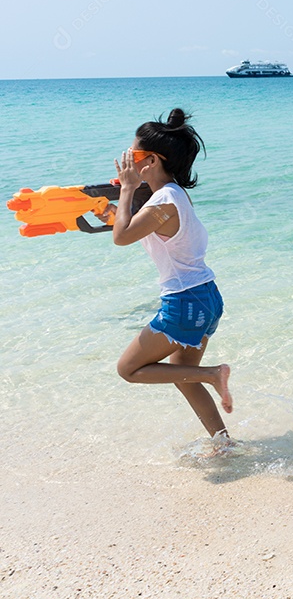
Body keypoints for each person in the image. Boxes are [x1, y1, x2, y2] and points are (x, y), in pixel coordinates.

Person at [100, 108, 233, 440]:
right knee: (180, 375)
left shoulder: (162, 203)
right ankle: (223, 443)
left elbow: (121, 237)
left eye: (133, 156)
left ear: (153, 161)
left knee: (128, 369)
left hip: (185, 300)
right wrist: (108, 209)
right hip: (207, 297)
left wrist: (128, 188)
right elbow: (132, 225)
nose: (127, 162)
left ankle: (213, 374)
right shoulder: (173, 195)